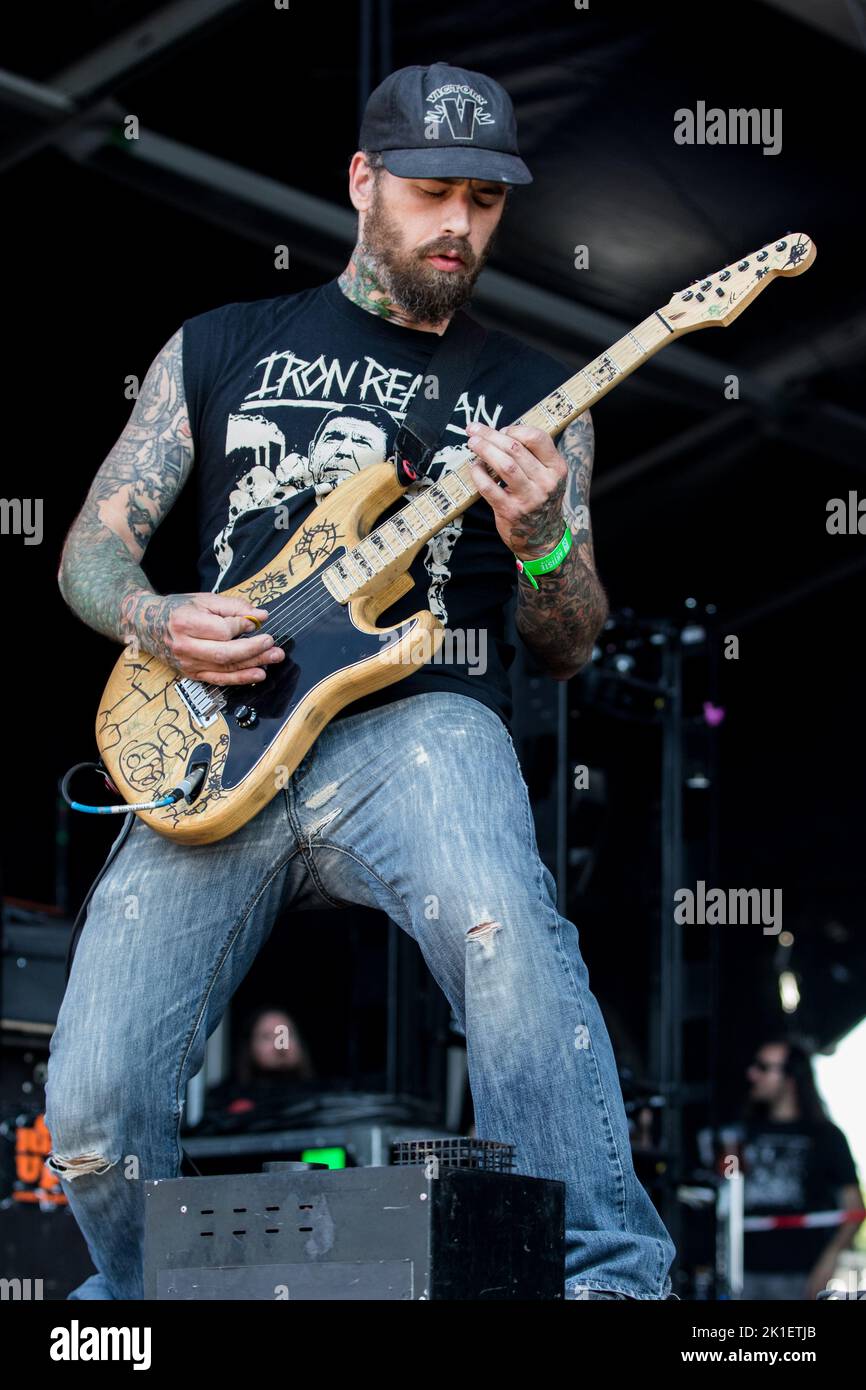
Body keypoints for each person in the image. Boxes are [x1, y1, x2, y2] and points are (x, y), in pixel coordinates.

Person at [45, 61, 676, 1300]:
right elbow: (88, 551)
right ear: (360, 182)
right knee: (95, 1091)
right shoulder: (221, 345)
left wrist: (543, 537)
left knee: (505, 944)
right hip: (214, 736)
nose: (458, 227)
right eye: (432, 193)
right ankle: (135, 1297)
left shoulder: (537, 402)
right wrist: (160, 619)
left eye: (484, 205)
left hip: (414, 725)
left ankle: (606, 1275)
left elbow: (569, 639)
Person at [723, 1040, 862, 1300]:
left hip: (800, 1277)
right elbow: (726, 1186)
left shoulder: (827, 1136)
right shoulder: (743, 1131)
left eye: (764, 1068)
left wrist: (829, 1261)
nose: (752, 1074)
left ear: (790, 1077)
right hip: (741, 1274)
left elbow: (854, 1209)